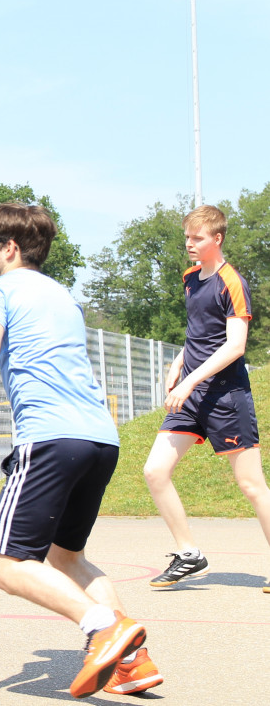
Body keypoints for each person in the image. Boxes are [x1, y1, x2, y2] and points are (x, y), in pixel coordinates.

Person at [0, 203, 161, 698]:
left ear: (9, 248)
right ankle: (132, 664)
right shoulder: (64, 297)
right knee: (67, 557)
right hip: (100, 439)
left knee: (7, 563)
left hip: (51, 439)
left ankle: (103, 627)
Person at [143, 204, 270, 593]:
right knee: (155, 471)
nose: (190, 244)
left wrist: (188, 382)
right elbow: (199, 331)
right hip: (192, 394)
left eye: (197, 238)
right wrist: (179, 362)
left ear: (216, 239)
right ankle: (189, 555)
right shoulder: (191, 279)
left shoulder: (233, 282)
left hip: (225, 396)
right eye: (187, 237)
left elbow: (234, 346)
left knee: (251, 485)